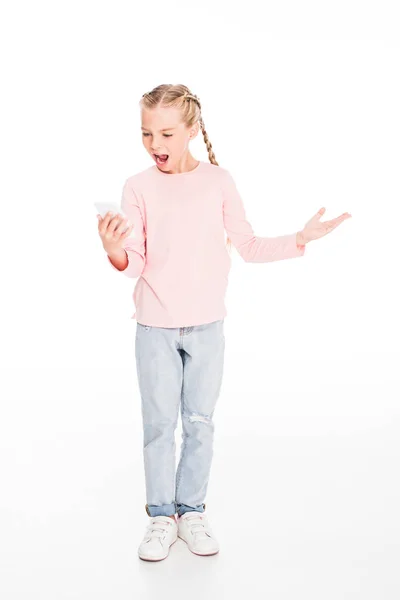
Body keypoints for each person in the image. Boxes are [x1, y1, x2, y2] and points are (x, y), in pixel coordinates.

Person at [96, 83, 352, 562]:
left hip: (207, 328)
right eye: (147, 133)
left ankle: (190, 512)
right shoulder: (137, 186)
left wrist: (300, 237)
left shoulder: (219, 181)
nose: (156, 144)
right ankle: (159, 516)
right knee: (158, 423)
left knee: (199, 422)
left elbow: (249, 247)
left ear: (191, 130)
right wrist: (114, 249)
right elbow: (135, 261)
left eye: (167, 133)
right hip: (154, 327)